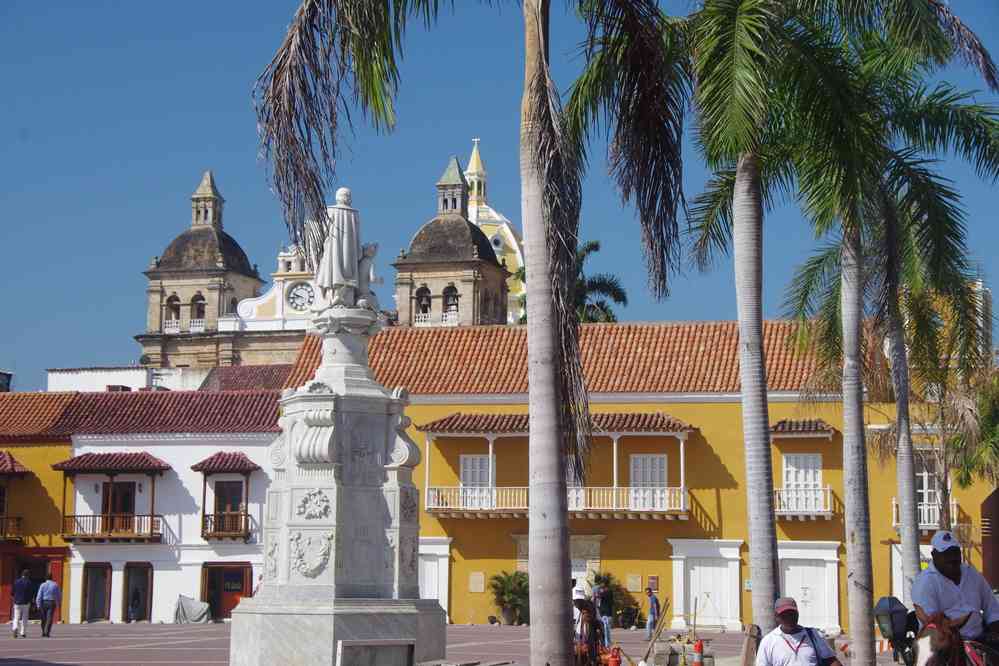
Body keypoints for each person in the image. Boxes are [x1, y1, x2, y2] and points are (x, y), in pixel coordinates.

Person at [912, 530, 999, 647]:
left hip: (979, 641)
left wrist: (994, 629)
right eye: (946, 554)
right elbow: (934, 626)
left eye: (955, 552)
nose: (952, 558)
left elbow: (992, 607)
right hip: (944, 645)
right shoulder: (925, 583)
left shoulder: (971, 574)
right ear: (934, 555)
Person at [755, 597, 842, 666]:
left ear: (797, 614)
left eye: (792, 613)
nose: (789, 618)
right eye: (784, 615)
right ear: (777, 617)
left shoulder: (813, 634)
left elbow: (830, 660)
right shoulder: (768, 641)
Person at [35, 572, 60, 638]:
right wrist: (58, 603)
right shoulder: (55, 585)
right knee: (49, 618)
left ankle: (43, 632)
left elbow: (39, 595)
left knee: (43, 618)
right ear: (52, 577)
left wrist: (38, 604)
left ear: (46, 578)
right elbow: (58, 595)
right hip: (51, 602)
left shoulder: (42, 585)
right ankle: (47, 632)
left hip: (43, 602)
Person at [11, 569, 31, 638]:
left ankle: (15, 628)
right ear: (27, 575)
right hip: (26, 602)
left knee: (16, 617)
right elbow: (31, 593)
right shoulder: (29, 582)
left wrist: (14, 598)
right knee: (24, 618)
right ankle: (23, 632)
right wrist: (30, 600)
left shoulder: (16, 582)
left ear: (22, 574)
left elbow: (12, 592)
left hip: (17, 602)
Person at [595, 584, 614, 648]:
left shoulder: (607, 593)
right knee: (607, 630)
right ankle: (608, 643)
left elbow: (598, 595)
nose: (600, 590)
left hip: (606, 615)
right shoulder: (609, 593)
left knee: (605, 630)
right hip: (607, 614)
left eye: (601, 589)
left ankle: (607, 644)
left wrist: (596, 593)